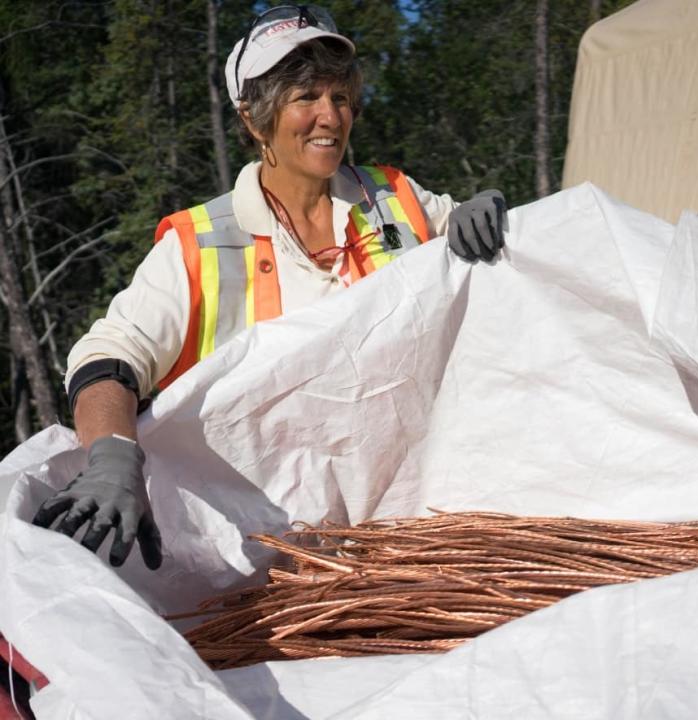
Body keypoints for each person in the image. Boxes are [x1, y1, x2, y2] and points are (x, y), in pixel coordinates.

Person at [31, 5, 507, 571]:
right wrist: (112, 456)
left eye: (339, 96)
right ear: (255, 120)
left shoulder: (397, 202)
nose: (330, 116)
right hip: (270, 553)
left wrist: (494, 220)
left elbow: (465, 243)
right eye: (305, 98)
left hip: (418, 525)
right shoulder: (201, 245)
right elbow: (107, 357)